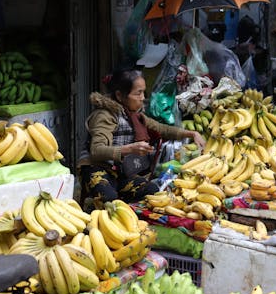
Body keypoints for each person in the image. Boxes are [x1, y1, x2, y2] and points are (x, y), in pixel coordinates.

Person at [78, 69, 205, 209]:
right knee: (108, 198)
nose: (143, 97)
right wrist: (130, 149)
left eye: (143, 92)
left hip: (120, 173)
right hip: (97, 169)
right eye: (138, 93)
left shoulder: (134, 115)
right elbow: (97, 150)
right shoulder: (105, 116)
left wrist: (191, 134)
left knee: (151, 191)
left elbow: (162, 129)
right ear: (120, 95)